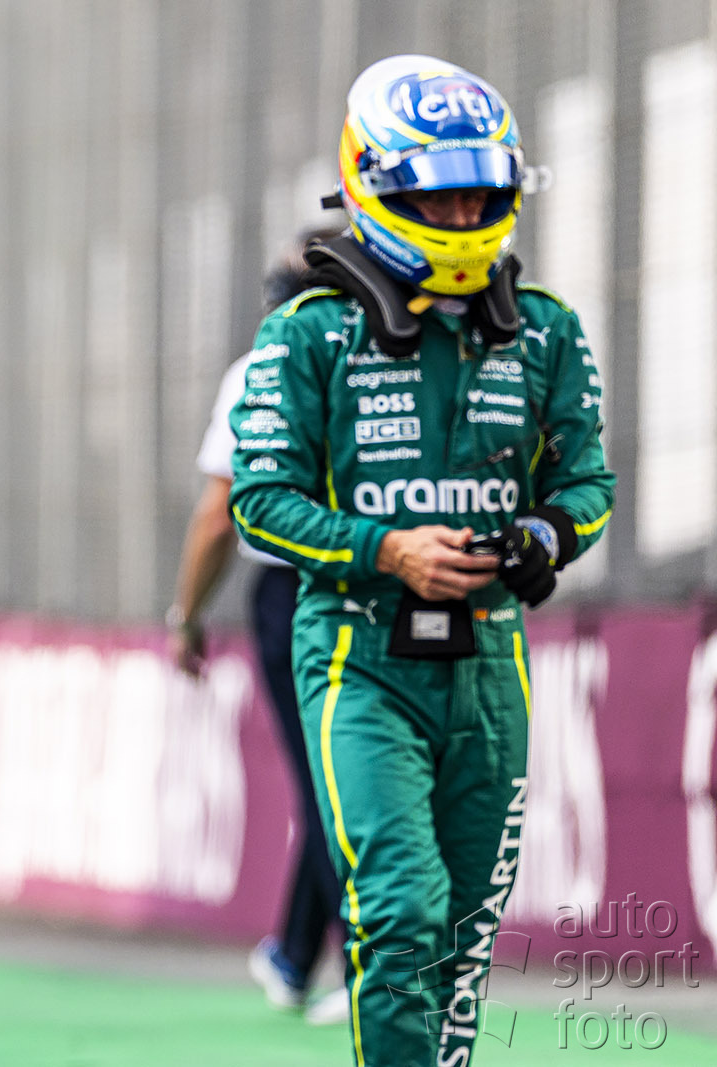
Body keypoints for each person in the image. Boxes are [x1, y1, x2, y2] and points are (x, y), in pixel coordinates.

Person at [227, 56, 613, 1066]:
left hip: (491, 663)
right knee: (401, 906)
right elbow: (258, 502)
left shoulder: (547, 331)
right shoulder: (308, 334)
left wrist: (544, 536)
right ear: (375, 185)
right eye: (435, 194)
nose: (459, 213)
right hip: (357, 660)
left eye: (477, 194)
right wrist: (388, 549)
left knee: (463, 941)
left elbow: (587, 484)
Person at [167, 236, 349, 1026]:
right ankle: (298, 954)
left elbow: (219, 513)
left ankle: (365, 963)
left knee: (334, 781)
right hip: (393, 579)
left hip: (298, 587)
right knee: (346, 776)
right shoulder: (405, 365)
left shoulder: (259, 370)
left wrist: (186, 615)